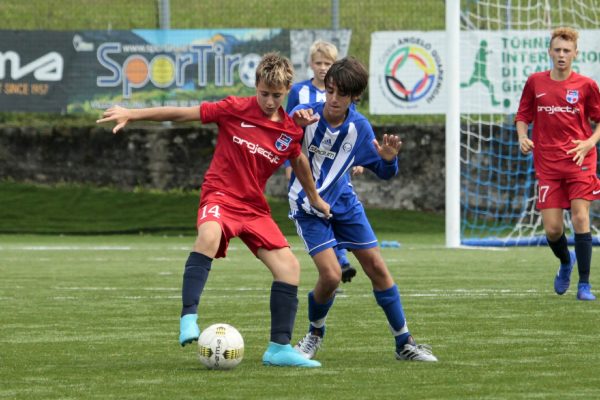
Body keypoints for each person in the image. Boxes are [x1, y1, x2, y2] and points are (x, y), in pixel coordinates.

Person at [96, 52, 331, 367]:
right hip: (219, 195)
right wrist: (133, 114)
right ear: (256, 85)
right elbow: (182, 113)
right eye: (264, 93)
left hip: (253, 207)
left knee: (289, 268)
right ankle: (188, 318)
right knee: (209, 235)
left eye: (277, 95)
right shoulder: (234, 108)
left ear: (286, 90)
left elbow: (298, 159)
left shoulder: (290, 130)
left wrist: (314, 197)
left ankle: (279, 348)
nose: (270, 101)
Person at [288, 57, 438, 362]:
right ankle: (313, 335)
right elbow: (277, 145)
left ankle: (404, 343)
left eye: (341, 94)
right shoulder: (305, 116)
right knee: (331, 277)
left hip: (345, 204)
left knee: (378, 269)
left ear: (354, 97)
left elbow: (385, 173)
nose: (332, 99)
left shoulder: (359, 127)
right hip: (307, 206)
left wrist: (387, 158)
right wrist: (293, 128)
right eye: (329, 91)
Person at [516, 27, 600, 301]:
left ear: (576, 53)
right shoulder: (535, 82)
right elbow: (523, 115)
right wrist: (522, 136)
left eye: (567, 50)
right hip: (548, 164)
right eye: (557, 50)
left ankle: (584, 284)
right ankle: (566, 261)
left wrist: (589, 143)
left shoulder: (587, 86)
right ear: (550, 52)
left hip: (580, 160)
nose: (562, 55)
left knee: (580, 216)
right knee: (552, 229)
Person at [285, 39, 360, 284]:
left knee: (333, 210)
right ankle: (337, 265)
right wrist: (288, 165)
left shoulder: (345, 92)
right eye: (318, 62)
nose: (323, 67)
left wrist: (358, 158)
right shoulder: (299, 91)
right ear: (310, 64)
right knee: (317, 213)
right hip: (307, 164)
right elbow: (288, 126)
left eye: (328, 63)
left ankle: (340, 263)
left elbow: (354, 127)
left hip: (335, 166)